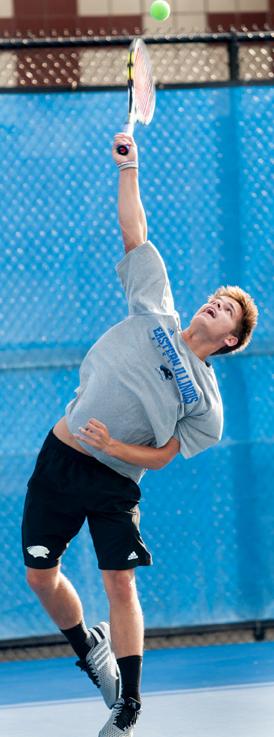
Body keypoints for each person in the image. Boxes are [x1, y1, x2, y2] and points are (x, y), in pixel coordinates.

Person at [22, 132, 258, 737]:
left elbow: (163, 457)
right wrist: (130, 169)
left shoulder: (206, 404)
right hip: (59, 459)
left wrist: (114, 448)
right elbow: (136, 235)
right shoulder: (156, 311)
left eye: (225, 309)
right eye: (214, 299)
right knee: (40, 576)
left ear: (232, 339)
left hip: (113, 480)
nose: (213, 305)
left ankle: (129, 708)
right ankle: (87, 649)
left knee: (119, 581)